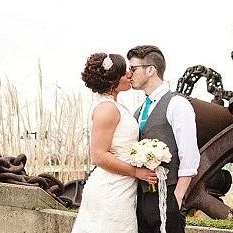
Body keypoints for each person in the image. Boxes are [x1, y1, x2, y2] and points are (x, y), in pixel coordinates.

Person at [71, 52, 157, 233]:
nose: (129, 74)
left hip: (122, 187)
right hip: (110, 190)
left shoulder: (115, 106)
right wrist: (136, 172)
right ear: (113, 80)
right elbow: (99, 156)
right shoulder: (107, 109)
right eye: (125, 71)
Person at [127, 45, 200, 233]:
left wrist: (177, 197)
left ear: (150, 70)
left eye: (133, 68)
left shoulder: (177, 104)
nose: (129, 74)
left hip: (168, 193)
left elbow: (190, 154)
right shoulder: (139, 109)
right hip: (141, 198)